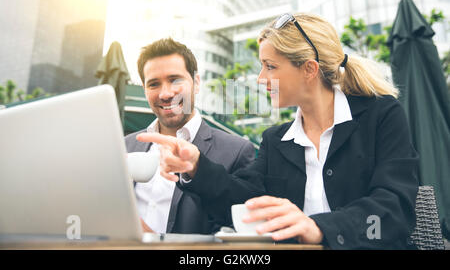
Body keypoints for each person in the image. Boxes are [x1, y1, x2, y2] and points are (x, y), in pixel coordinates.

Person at [137, 13, 419, 249]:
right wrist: (196, 167)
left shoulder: (381, 115)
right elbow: (245, 200)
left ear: (309, 69)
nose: (261, 79)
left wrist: (318, 227)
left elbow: (394, 210)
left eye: (270, 67)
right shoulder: (277, 139)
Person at [125, 38, 255, 235]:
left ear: (195, 83)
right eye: (153, 84)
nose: (166, 93)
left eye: (175, 80)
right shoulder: (125, 146)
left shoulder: (236, 151)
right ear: (144, 89)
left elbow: (244, 225)